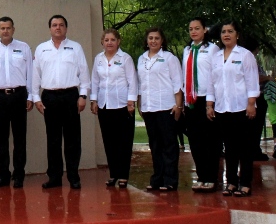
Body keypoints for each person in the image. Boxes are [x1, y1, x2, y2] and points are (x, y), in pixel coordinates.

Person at [32, 15, 90, 189]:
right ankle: (54, 177)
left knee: (73, 139)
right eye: (54, 25)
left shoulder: (76, 48)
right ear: (50, 28)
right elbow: (35, 75)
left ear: (66, 28)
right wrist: (35, 97)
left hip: (71, 96)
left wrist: (83, 95)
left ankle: (73, 177)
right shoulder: (41, 49)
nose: (58, 27)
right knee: (53, 140)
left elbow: (84, 73)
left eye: (61, 25)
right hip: (49, 97)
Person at [206, 19, 260, 197]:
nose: (226, 35)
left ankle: (245, 183)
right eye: (223, 32)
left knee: (245, 147)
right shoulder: (215, 57)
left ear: (237, 34)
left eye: (230, 31)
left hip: (242, 108)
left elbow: (252, 81)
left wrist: (251, 104)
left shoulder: (245, 55)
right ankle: (231, 182)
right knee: (229, 148)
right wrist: (209, 104)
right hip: (223, 108)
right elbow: (211, 83)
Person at [0, 16, 33, 188]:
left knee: (19, 137)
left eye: (8, 28)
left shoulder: (24, 48)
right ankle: (3, 174)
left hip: (19, 96)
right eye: (2, 28)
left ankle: (19, 175)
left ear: (13, 29)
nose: (5, 31)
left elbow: (30, 75)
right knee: (1, 138)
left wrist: (30, 96)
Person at [137, 27, 183, 191]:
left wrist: (178, 104)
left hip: (166, 107)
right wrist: (139, 103)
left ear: (162, 40)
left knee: (169, 145)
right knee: (155, 145)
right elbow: (141, 84)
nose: (153, 41)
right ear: (147, 40)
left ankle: (170, 180)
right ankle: (157, 178)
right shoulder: (141, 59)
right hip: (149, 107)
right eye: (150, 38)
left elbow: (177, 82)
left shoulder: (169, 58)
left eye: (157, 38)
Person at [90, 28, 137, 188]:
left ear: (118, 42)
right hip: (104, 105)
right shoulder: (98, 59)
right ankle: (114, 174)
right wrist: (94, 100)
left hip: (123, 105)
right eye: (106, 40)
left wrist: (131, 101)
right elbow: (95, 81)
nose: (109, 42)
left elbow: (133, 81)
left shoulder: (125, 58)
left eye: (113, 40)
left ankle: (123, 175)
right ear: (102, 42)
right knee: (109, 141)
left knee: (123, 142)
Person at [181, 17, 220, 192]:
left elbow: (214, 75)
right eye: (191, 29)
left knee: (210, 140)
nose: (194, 31)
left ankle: (212, 177)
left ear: (205, 30)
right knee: (195, 140)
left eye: (197, 28)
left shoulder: (212, 49)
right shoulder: (187, 50)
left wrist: (210, 103)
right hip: (191, 100)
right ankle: (202, 176)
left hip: (207, 98)